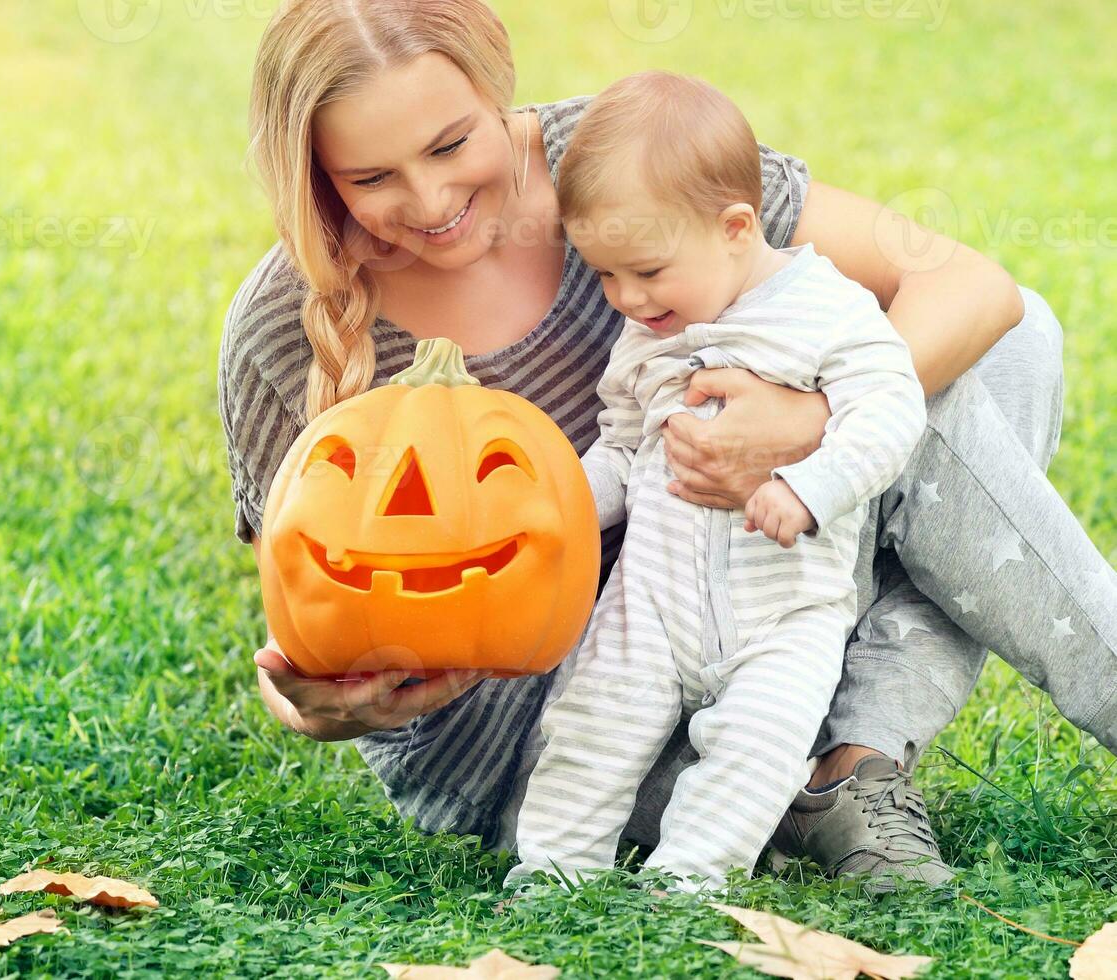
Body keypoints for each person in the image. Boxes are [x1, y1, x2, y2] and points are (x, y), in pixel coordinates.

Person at [219, 0, 1117, 894]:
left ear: (497, 93)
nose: (430, 201)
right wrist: (312, 705)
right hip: (550, 716)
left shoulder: (618, 163)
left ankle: (854, 763)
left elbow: (969, 284)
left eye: (452, 146)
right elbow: (311, 602)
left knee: (1001, 343)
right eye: (371, 177)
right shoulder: (277, 328)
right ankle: (794, 784)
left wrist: (806, 422)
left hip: (760, 600)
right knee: (906, 387)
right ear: (317, 175)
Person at [506, 70, 932, 893]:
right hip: (653, 600)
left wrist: (811, 487)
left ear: (736, 226)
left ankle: (687, 882)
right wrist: (556, 507)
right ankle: (554, 868)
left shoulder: (828, 311)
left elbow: (891, 412)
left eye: (647, 272)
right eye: (603, 276)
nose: (626, 298)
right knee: (591, 721)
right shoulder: (647, 331)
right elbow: (624, 448)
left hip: (785, 609)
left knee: (758, 744)